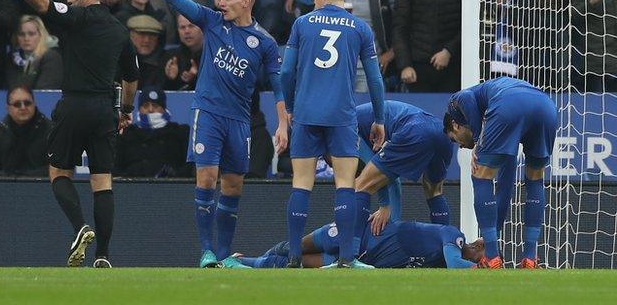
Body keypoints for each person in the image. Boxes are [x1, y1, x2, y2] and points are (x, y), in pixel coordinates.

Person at [0, 0, 139, 268]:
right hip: (104, 110)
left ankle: (80, 227)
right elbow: (131, 77)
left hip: (74, 105)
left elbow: (43, 4)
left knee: (58, 173)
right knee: (103, 181)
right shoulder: (119, 31)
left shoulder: (76, 17)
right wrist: (125, 110)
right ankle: (103, 256)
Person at [165, 0, 288, 269]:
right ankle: (206, 252)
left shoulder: (264, 41)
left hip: (240, 119)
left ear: (246, 1)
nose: (221, 2)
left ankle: (224, 255)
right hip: (207, 112)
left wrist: (283, 123)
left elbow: (277, 85)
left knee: (233, 185)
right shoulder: (211, 21)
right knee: (206, 178)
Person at [281, 0, 386, 269]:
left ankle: (293, 257)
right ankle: (346, 259)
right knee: (345, 184)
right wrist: (379, 118)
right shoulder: (360, 28)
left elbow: (286, 72)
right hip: (341, 116)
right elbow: (375, 78)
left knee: (301, 183)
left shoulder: (302, 24)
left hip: (306, 113)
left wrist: (290, 105)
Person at [443, 77, 557, 269]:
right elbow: (504, 188)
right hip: (545, 105)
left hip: (509, 104)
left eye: (455, 140)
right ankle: (529, 258)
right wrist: (491, 236)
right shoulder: (492, 115)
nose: (461, 146)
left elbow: (466, 97)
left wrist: (478, 140)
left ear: (455, 125)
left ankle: (491, 258)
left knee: (479, 175)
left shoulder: (454, 104)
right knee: (535, 180)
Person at [351, 100, 453, 257]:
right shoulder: (359, 118)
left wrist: (385, 207)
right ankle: (446, 249)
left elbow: (382, 177)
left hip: (414, 129)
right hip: (440, 130)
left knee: (361, 185)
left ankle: (351, 254)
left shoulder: (348, 128)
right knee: (434, 191)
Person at [235, 220, 484, 269]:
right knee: (293, 249)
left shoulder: (436, 264)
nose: (478, 261)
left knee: (296, 265)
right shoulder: (453, 234)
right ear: (478, 243)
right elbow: (455, 262)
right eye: (481, 256)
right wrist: (476, 270)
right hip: (357, 232)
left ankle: (237, 262)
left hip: (359, 261)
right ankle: (265, 251)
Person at [391, 0, 461, 92]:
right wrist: (405, 65)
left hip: (454, 68)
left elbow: (468, 25)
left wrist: (449, 50)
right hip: (417, 68)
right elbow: (399, 27)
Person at [343, 0, 398, 92]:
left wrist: (392, 52)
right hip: (336, 66)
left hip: (368, 67)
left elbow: (403, 22)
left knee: (364, 111)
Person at [115, 87, 191, 177]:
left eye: (155, 105)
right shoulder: (127, 134)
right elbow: (116, 167)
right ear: (139, 109)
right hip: (132, 187)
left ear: (163, 108)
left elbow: (188, 167)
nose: (150, 109)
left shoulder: (179, 132)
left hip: (169, 188)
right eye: (146, 105)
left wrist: (173, 176)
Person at [0, 85, 51, 177]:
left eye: (27, 103)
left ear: (34, 104)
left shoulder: (50, 130)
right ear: (8, 108)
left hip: (42, 188)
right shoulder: (0, 131)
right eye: (17, 104)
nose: (23, 107)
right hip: (7, 188)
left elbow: (56, 168)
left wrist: (21, 177)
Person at [6, 14, 63, 89]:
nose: (26, 38)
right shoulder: (12, 58)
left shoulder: (51, 57)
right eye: (21, 34)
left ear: (41, 35)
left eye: (31, 34)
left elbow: (45, 91)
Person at [162, 13, 202, 90]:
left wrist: (197, 77)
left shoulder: (215, 54)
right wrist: (170, 79)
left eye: (191, 26)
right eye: (182, 27)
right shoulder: (170, 57)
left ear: (202, 28)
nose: (187, 31)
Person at [126, 14, 166, 88]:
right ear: (131, 35)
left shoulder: (166, 62)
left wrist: (171, 79)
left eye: (152, 35)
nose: (146, 40)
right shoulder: (121, 61)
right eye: (142, 34)